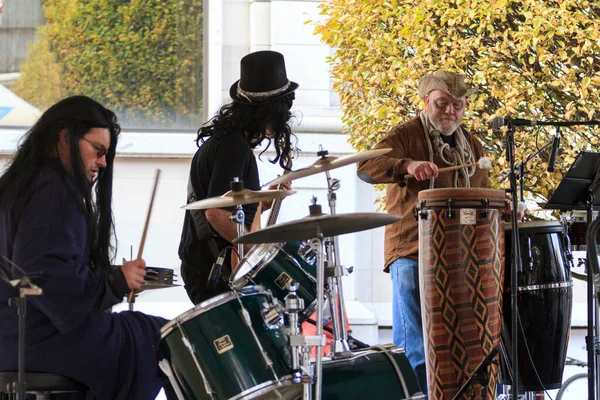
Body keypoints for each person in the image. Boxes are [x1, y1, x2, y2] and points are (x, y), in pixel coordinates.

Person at [0, 96, 175, 399]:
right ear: (65, 138)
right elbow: (46, 278)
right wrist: (115, 280)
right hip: (38, 339)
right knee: (168, 337)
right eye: (98, 150)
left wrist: (110, 279)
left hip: (12, 335)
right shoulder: (53, 190)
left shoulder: (19, 185)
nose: (103, 162)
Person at [356, 70, 491, 393]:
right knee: (415, 346)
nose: (450, 112)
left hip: (457, 257)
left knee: (455, 346)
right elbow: (365, 167)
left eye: (458, 106)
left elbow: (482, 195)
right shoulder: (405, 134)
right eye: (442, 104)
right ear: (426, 100)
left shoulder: (471, 145)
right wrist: (406, 166)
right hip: (412, 251)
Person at [179, 50, 298, 305]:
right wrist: (257, 251)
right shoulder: (233, 147)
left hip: (210, 270)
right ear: (271, 110)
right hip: (214, 273)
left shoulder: (230, 142)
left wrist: (263, 202)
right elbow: (215, 213)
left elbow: (234, 211)